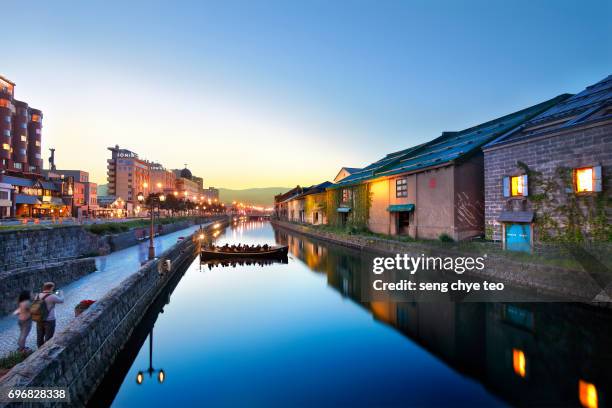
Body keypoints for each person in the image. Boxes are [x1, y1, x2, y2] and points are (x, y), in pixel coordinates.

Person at [34, 282, 64, 347]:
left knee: (39, 337)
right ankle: (46, 351)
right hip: (49, 320)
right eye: (53, 288)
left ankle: (39, 352)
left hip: (39, 319)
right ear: (51, 287)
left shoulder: (37, 295)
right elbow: (61, 300)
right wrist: (61, 293)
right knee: (49, 338)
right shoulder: (52, 296)